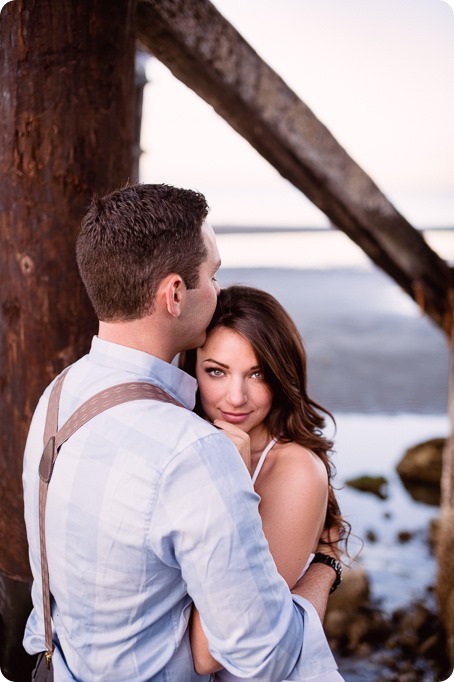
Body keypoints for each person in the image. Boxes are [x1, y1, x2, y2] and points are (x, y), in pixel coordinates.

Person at [23, 183, 343, 681]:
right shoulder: (192, 451)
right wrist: (325, 564)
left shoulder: (58, 397)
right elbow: (263, 656)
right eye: (212, 275)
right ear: (174, 294)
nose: (216, 292)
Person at [180, 285, 349, 680]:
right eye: (216, 371)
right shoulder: (182, 440)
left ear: (280, 375)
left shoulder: (296, 471)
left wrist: (233, 483)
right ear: (193, 369)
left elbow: (208, 654)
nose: (235, 397)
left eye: (256, 374)